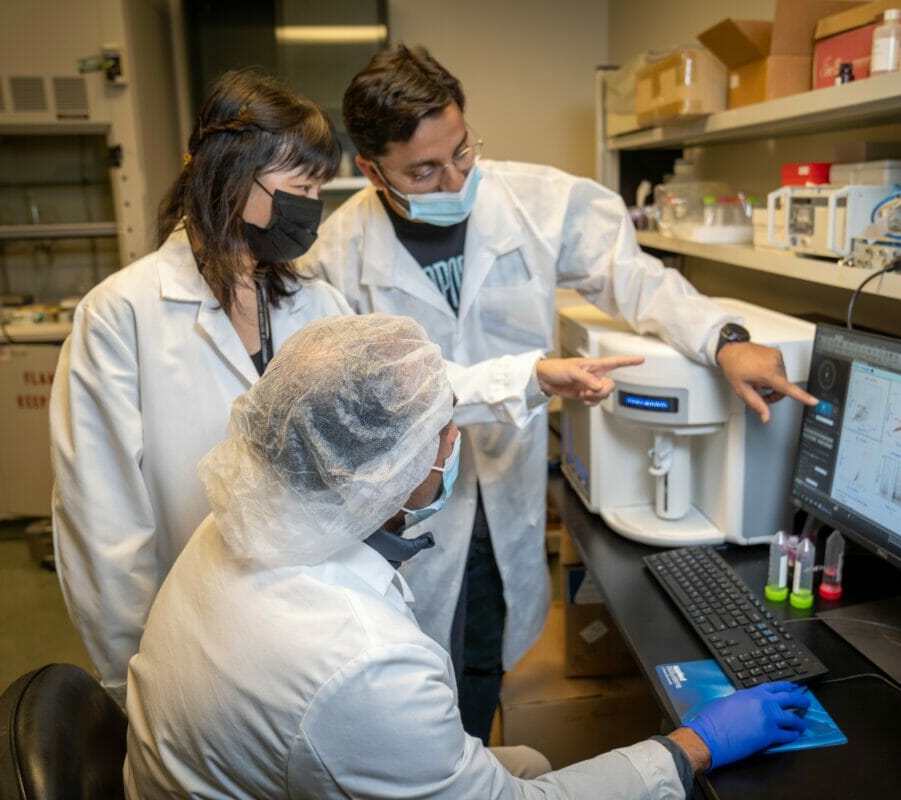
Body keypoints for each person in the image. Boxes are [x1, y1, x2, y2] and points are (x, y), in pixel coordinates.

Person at [300, 44, 819, 741]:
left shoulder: (537, 201)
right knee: (409, 670)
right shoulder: (338, 254)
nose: (455, 177)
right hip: (406, 497)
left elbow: (636, 279)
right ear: (371, 170)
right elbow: (367, 392)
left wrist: (724, 339)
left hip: (504, 483)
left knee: (481, 655)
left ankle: (471, 766)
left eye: (462, 152)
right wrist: (522, 378)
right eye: (424, 170)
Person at [124, 314, 811, 799]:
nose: (454, 442)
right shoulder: (360, 661)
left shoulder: (233, 529)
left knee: (532, 756)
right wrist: (693, 747)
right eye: (443, 429)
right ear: (390, 472)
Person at [49, 69, 353, 706]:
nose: (312, 208)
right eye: (300, 188)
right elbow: (102, 518)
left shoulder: (316, 302)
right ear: (232, 176)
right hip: (184, 641)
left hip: (313, 621)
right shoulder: (122, 314)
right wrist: (130, 671)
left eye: (318, 189)